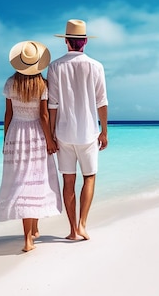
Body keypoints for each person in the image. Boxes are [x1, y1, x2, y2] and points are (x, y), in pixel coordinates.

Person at [0, 40, 62, 252]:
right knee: (35, 182)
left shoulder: (10, 83)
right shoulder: (42, 85)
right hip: (35, 135)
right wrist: (50, 139)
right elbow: (42, 116)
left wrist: (6, 139)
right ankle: (29, 239)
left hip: (16, 133)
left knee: (21, 182)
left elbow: (8, 114)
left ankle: (32, 232)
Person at [47, 19, 108, 240]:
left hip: (63, 133)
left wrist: (51, 134)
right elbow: (102, 102)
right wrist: (104, 131)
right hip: (88, 133)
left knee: (69, 182)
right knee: (89, 177)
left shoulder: (54, 67)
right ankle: (83, 224)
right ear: (84, 42)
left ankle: (72, 230)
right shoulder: (96, 66)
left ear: (66, 41)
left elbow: (52, 104)